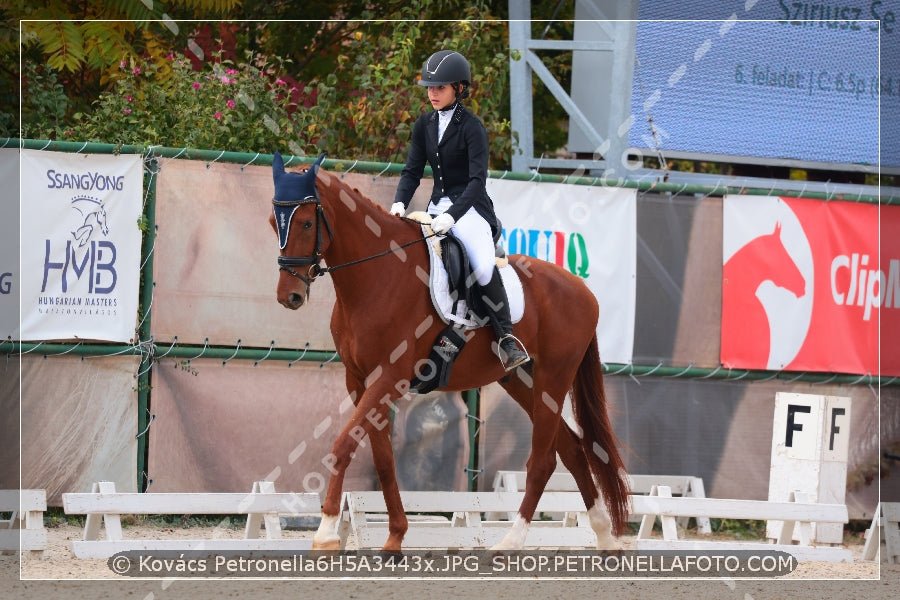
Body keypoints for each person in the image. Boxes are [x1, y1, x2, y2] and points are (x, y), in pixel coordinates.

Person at [390, 49, 529, 371]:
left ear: (459, 89)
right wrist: (399, 204)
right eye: (429, 87)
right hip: (435, 207)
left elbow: (477, 180)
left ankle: (506, 338)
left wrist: (453, 216)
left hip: (470, 210)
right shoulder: (423, 124)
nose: (432, 93)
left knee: (482, 265)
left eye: (439, 88)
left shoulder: (473, 128)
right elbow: (412, 172)